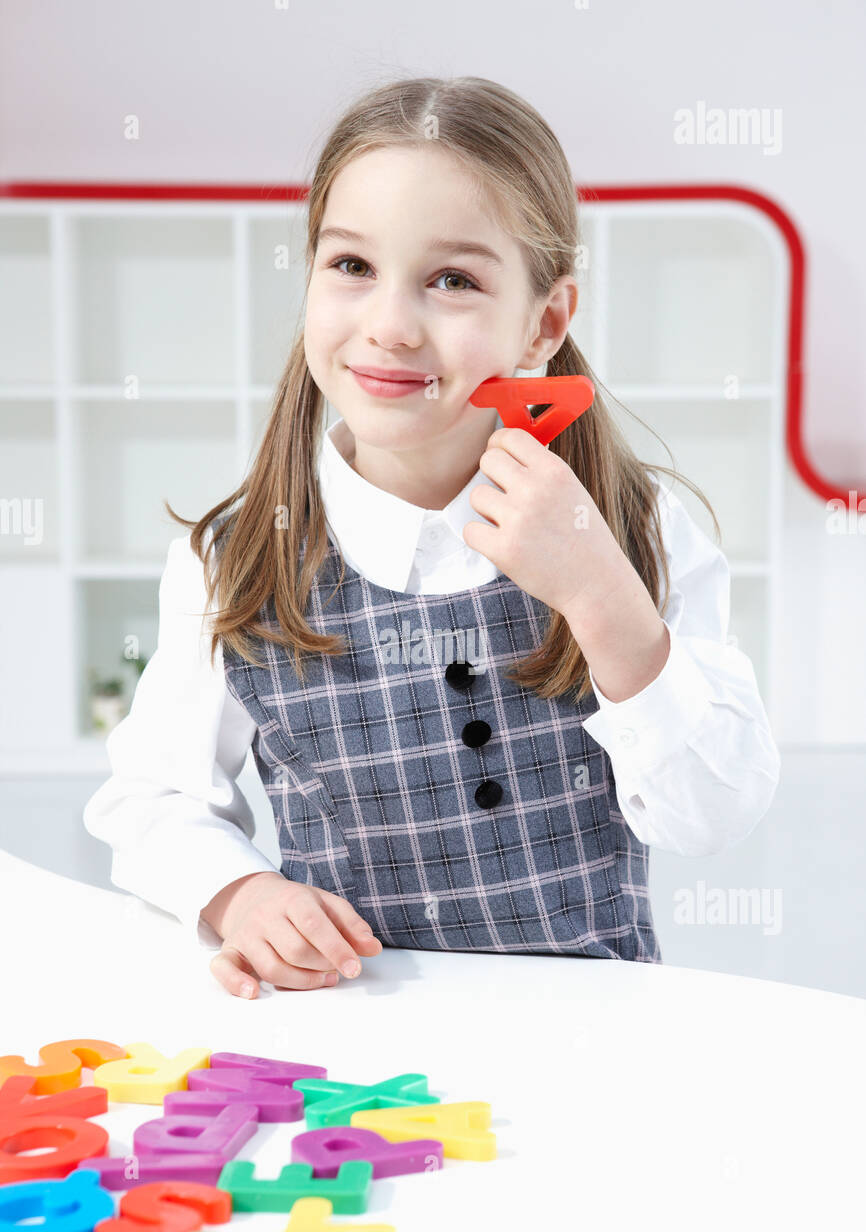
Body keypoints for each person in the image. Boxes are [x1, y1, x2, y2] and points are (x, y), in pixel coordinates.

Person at [83, 75, 780, 998]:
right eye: (351, 267)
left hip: (599, 1049)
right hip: (358, 1054)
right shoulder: (235, 558)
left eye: (452, 280)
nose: (390, 326)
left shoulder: (637, 528)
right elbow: (151, 798)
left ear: (545, 322)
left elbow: (715, 813)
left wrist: (601, 594)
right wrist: (240, 894)